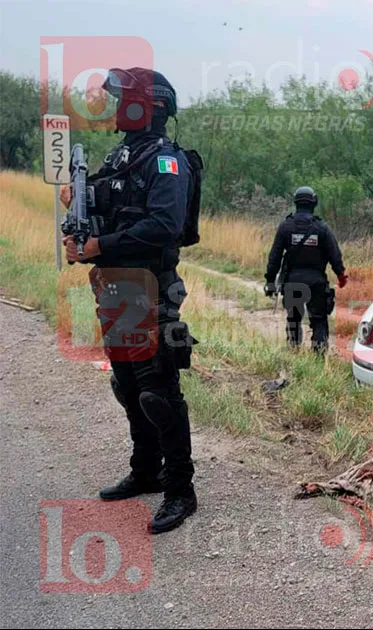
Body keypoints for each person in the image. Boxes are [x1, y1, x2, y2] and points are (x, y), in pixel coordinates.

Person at [61, 67, 200, 533]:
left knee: (157, 390)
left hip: (151, 286)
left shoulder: (167, 161)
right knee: (126, 385)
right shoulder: (122, 155)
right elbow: (103, 202)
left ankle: (181, 488)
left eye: (124, 97)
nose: (116, 105)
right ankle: (146, 471)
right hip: (115, 285)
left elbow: (164, 226)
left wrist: (101, 246)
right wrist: (77, 209)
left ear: (150, 105)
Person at [264, 187, 347, 352]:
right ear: (314, 203)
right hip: (316, 283)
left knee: (293, 319)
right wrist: (341, 274)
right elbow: (335, 255)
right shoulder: (322, 228)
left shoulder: (285, 227)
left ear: (296, 203)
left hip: (292, 282)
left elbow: (275, 257)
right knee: (319, 321)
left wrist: (270, 281)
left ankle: (294, 351)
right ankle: (318, 357)